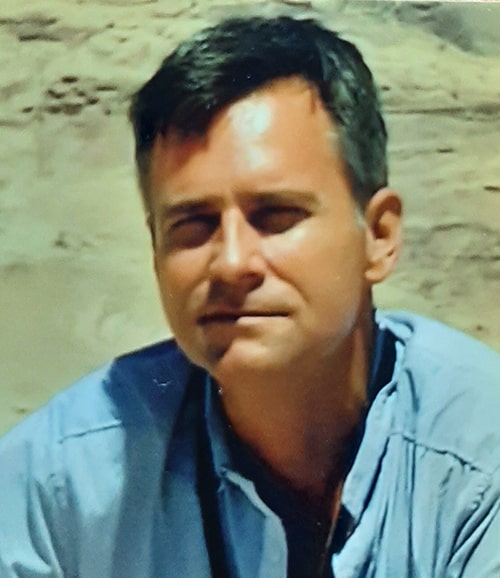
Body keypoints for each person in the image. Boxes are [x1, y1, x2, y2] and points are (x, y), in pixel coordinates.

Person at [0, 15, 499, 578]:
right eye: (194, 224)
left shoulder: (477, 464)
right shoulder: (62, 484)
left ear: (379, 236)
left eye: (276, 215)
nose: (232, 262)